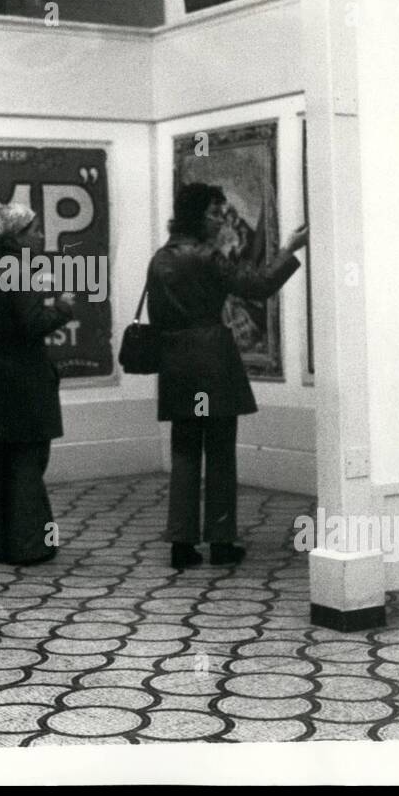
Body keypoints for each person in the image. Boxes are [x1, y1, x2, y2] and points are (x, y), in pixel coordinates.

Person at [147, 182, 308, 570]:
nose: (222, 221)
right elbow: (259, 286)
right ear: (197, 216)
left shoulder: (160, 259)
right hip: (212, 364)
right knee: (219, 454)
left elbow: (157, 315)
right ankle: (221, 542)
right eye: (216, 213)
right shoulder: (206, 257)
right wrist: (289, 249)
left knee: (184, 453)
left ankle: (181, 545)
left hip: (176, 365)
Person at [0, 202, 74, 565]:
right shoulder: (20, 270)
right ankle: (31, 544)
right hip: (25, 379)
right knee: (28, 462)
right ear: (17, 236)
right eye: (35, 229)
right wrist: (61, 307)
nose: (42, 235)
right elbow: (31, 324)